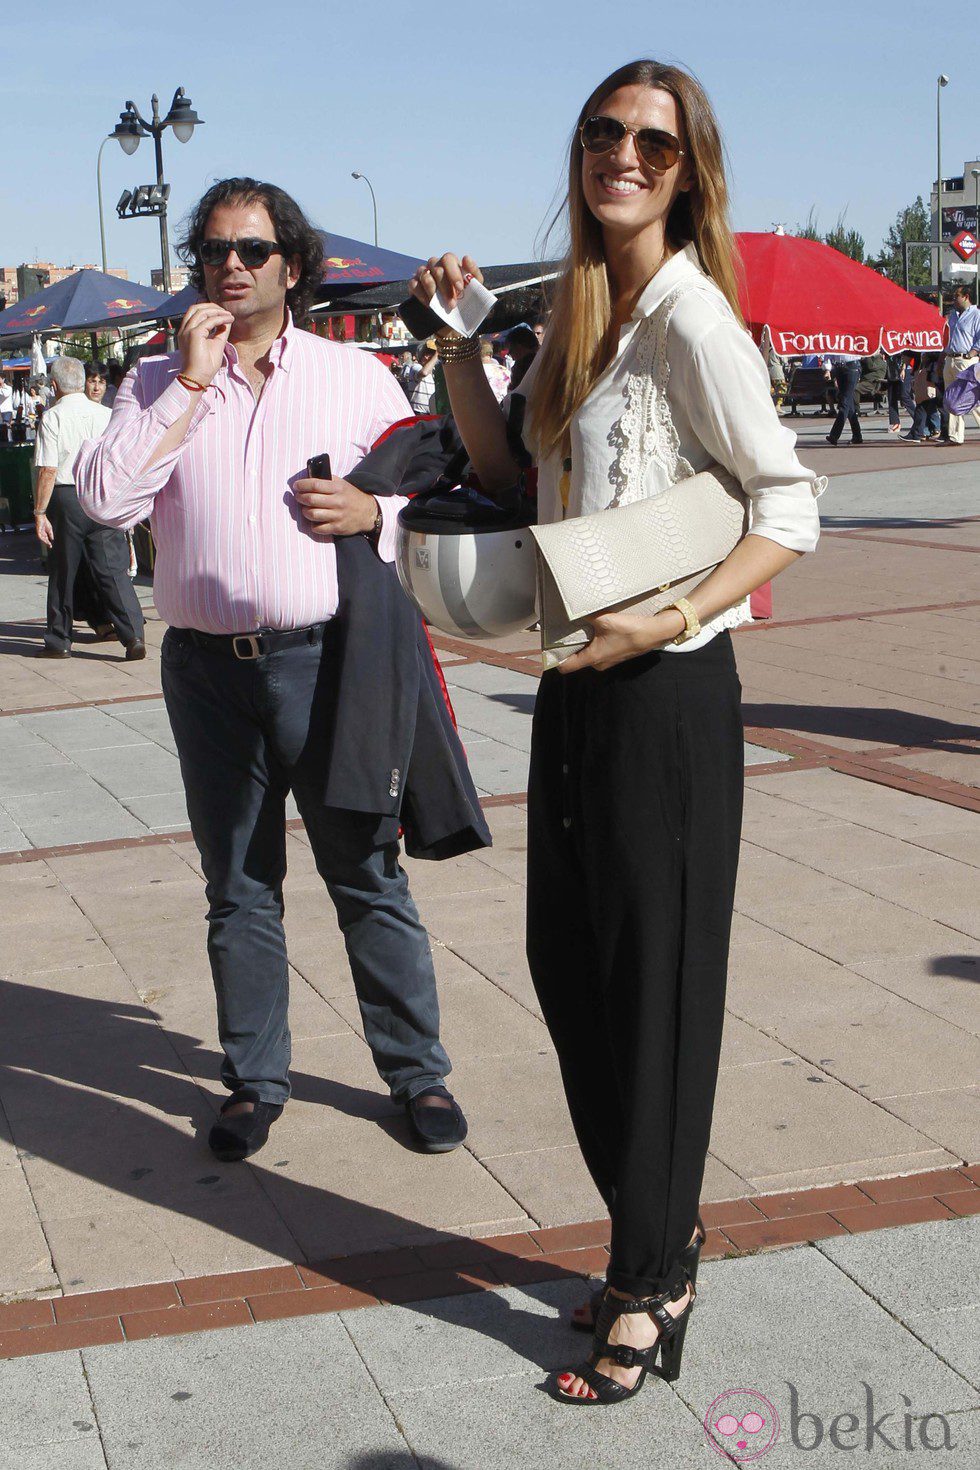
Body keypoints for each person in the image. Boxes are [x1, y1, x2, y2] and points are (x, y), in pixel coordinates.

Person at [412, 57, 823, 1407]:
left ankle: (651, 1278)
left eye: (652, 140)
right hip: (580, 674)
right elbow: (498, 471)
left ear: (687, 168)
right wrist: (463, 346)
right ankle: (659, 1233)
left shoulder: (695, 319)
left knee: (657, 984)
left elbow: (789, 506)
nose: (624, 156)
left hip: (667, 688)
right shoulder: (583, 313)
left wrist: (681, 615)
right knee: (569, 959)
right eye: (604, 133)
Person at [75, 177, 468, 1163]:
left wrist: (376, 515)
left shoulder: (356, 379)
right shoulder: (158, 382)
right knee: (238, 884)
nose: (231, 266)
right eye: (213, 251)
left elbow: (439, 492)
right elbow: (107, 504)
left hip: (325, 662)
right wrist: (190, 387)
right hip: (206, 673)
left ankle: (415, 1073)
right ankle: (254, 1080)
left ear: (293, 266)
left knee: (363, 874)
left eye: (252, 249)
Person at [33, 357, 145, 659]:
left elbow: (48, 469)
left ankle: (59, 639)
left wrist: (39, 512)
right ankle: (133, 634)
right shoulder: (107, 414)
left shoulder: (53, 417)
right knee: (112, 569)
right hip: (103, 493)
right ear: (83, 383)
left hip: (67, 496)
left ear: (55, 385)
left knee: (63, 571)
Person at [942, 284, 980, 443]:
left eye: (956, 296)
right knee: (952, 398)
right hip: (950, 358)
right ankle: (955, 436)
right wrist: (941, 359)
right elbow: (948, 338)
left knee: (972, 397)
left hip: (966, 361)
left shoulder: (976, 314)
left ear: (965, 297)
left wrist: (973, 352)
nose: (953, 300)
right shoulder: (953, 315)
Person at [822, 351, 863, 445]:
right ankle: (857, 435)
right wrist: (828, 370)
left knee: (844, 402)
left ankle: (834, 435)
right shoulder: (834, 337)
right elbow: (829, 351)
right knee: (849, 404)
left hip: (852, 366)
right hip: (839, 368)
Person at [404, 340, 439, 413]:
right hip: (418, 412)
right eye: (425, 353)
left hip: (431, 413)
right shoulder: (415, 367)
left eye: (431, 354)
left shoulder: (435, 370)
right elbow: (424, 372)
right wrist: (437, 353)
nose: (426, 356)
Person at [505, 324, 539, 391]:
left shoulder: (523, 367)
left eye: (510, 351)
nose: (512, 358)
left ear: (519, 347)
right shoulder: (545, 360)